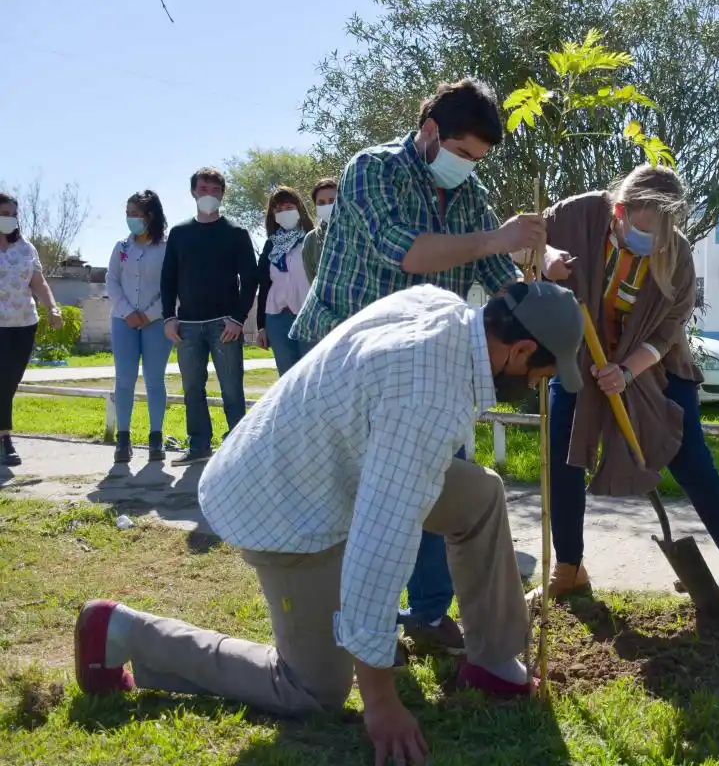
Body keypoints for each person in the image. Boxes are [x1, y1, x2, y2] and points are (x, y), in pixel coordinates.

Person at [74, 280, 585, 766]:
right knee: (315, 688)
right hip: (282, 501)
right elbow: (379, 545)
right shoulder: (431, 399)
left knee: (480, 494)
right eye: (540, 375)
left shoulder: (441, 307)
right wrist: (380, 699)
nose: (535, 384)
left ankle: (493, 661)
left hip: (334, 461)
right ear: (518, 351)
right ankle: (118, 631)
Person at [290, 78, 564, 655]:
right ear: (431, 130)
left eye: (479, 159)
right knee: (356, 494)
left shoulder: (470, 196)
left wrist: (537, 285)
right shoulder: (371, 170)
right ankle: (359, 618)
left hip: (420, 367)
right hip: (344, 367)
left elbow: (497, 278)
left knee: (442, 478)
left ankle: (430, 614)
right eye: (463, 153)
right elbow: (409, 251)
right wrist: (498, 240)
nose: (469, 167)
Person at [538, 165, 719, 613]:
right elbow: (520, 237)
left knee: (691, 458)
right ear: (620, 211)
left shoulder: (679, 256)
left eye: (663, 235)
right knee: (563, 453)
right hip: (581, 356)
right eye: (644, 231)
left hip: (656, 364)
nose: (652, 243)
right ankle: (569, 570)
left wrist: (627, 371)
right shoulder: (580, 215)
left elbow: (667, 333)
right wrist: (545, 256)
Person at [161, 167, 258, 466]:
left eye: (215, 190)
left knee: (231, 388)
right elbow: (168, 278)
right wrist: (168, 317)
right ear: (193, 192)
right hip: (187, 326)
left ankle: (239, 450)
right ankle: (200, 445)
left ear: (222, 194)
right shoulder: (179, 234)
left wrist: (238, 319)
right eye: (204, 189)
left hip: (225, 325)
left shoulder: (236, 234)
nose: (209, 195)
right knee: (192, 389)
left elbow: (251, 279)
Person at [105, 190, 173, 463]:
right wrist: (127, 311)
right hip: (124, 322)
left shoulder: (168, 247)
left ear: (151, 215)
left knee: (155, 379)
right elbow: (112, 280)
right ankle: (123, 438)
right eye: (128, 214)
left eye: (137, 214)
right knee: (124, 378)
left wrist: (151, 313)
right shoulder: (121, 247)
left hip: (156, 322)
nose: (131, 219)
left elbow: (172, 285)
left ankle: (156, 438)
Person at [0, 191, 63, 468]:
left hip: (24, 324)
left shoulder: (26, 247)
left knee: (10, 381)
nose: (9, 219)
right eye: (3, 214)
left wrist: (52, 308)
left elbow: (38, 283)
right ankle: (6, 441)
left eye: (13, 214)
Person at [255, 186, 316, 375]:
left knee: (311, 374)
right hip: (277, 318)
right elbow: (264, 286)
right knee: (287, 378)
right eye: (278, 210)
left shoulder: (313, 239)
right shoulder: (270, 245)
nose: (284, 213)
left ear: (299, 209)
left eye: (289, 207)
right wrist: (261, 326)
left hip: (309, 317)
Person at [302, 177, 337, 283]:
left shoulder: (358, 230)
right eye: (321, 203)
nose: (328, 205)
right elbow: (312, 282)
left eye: (333, 201)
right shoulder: (311, 240)